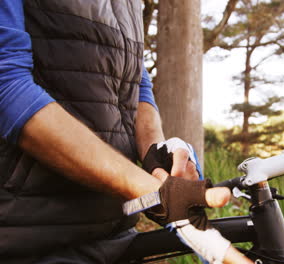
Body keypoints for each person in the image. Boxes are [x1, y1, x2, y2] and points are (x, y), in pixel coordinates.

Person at [0, 1, 251, 263]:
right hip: (30, 237)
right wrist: (154, 192)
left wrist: (155, 155)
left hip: (116, 232)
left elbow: (138, 83)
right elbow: (7, 85)